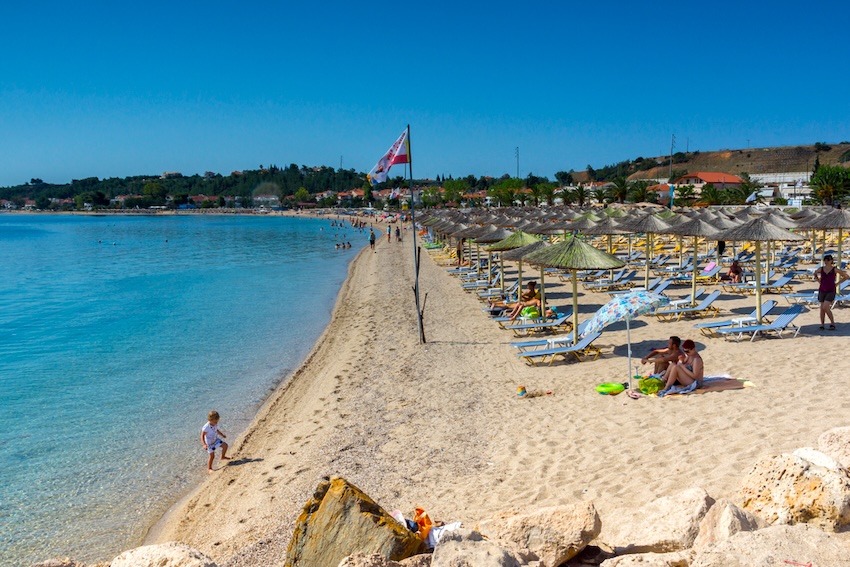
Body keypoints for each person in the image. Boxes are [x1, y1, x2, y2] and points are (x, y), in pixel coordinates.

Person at [814, 254, 849, 330]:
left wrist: (837, 283)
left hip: (831, 290)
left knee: (825, 307)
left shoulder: (834, 270)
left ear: (831, 261)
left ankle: (832, 323)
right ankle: (822, 324)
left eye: (828, 260)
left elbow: (846, 276)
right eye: (825, 260)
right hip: (822, 290)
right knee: (822, 308)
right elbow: (815, 274)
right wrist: (819, 281)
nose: (826, 261)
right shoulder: (821, 269)